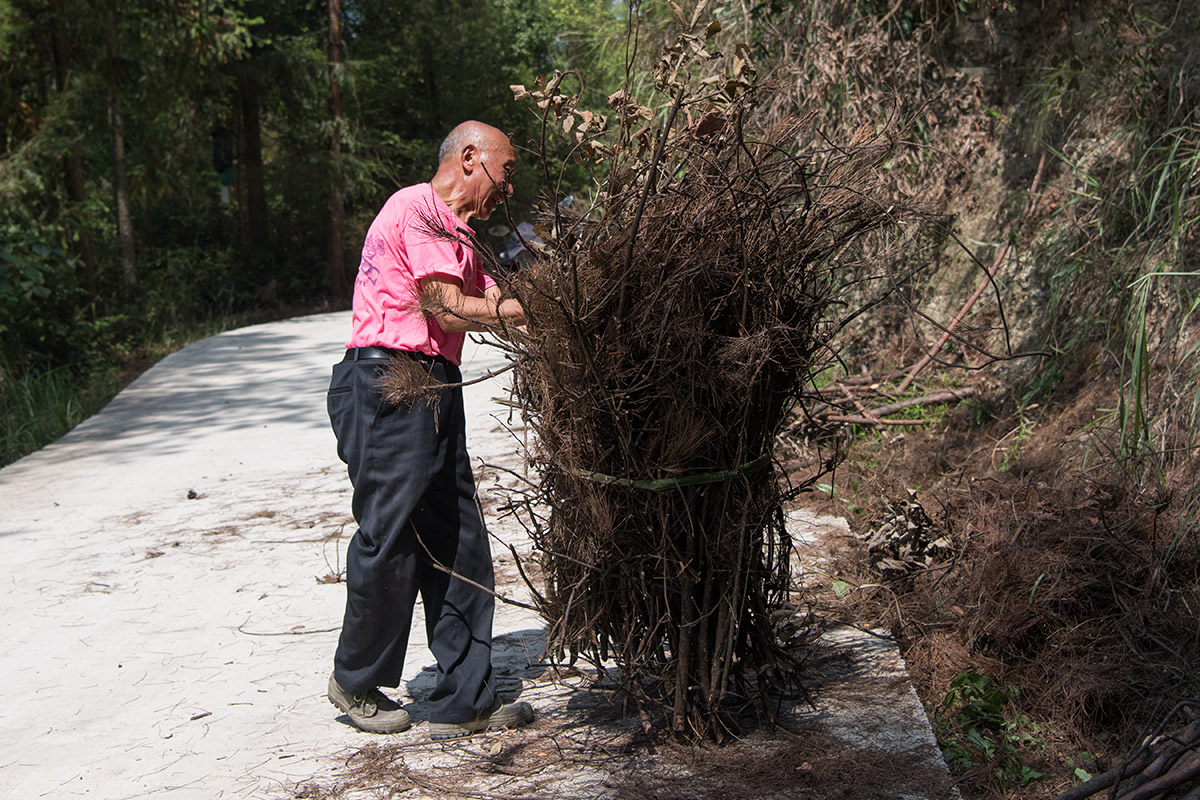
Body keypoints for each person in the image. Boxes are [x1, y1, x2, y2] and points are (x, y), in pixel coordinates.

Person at [325, 121, 531, 738]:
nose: (510, 186)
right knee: (390, 539)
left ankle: (465, 697)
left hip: (435, 386)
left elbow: (495, 306)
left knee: (461, 538)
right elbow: (443, 306)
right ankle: (355, 680)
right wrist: (531, 306)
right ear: (470, 158)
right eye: (507, 169)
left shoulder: (462, 235)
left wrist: (554, 307)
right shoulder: (417, 208)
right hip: (388, 383)